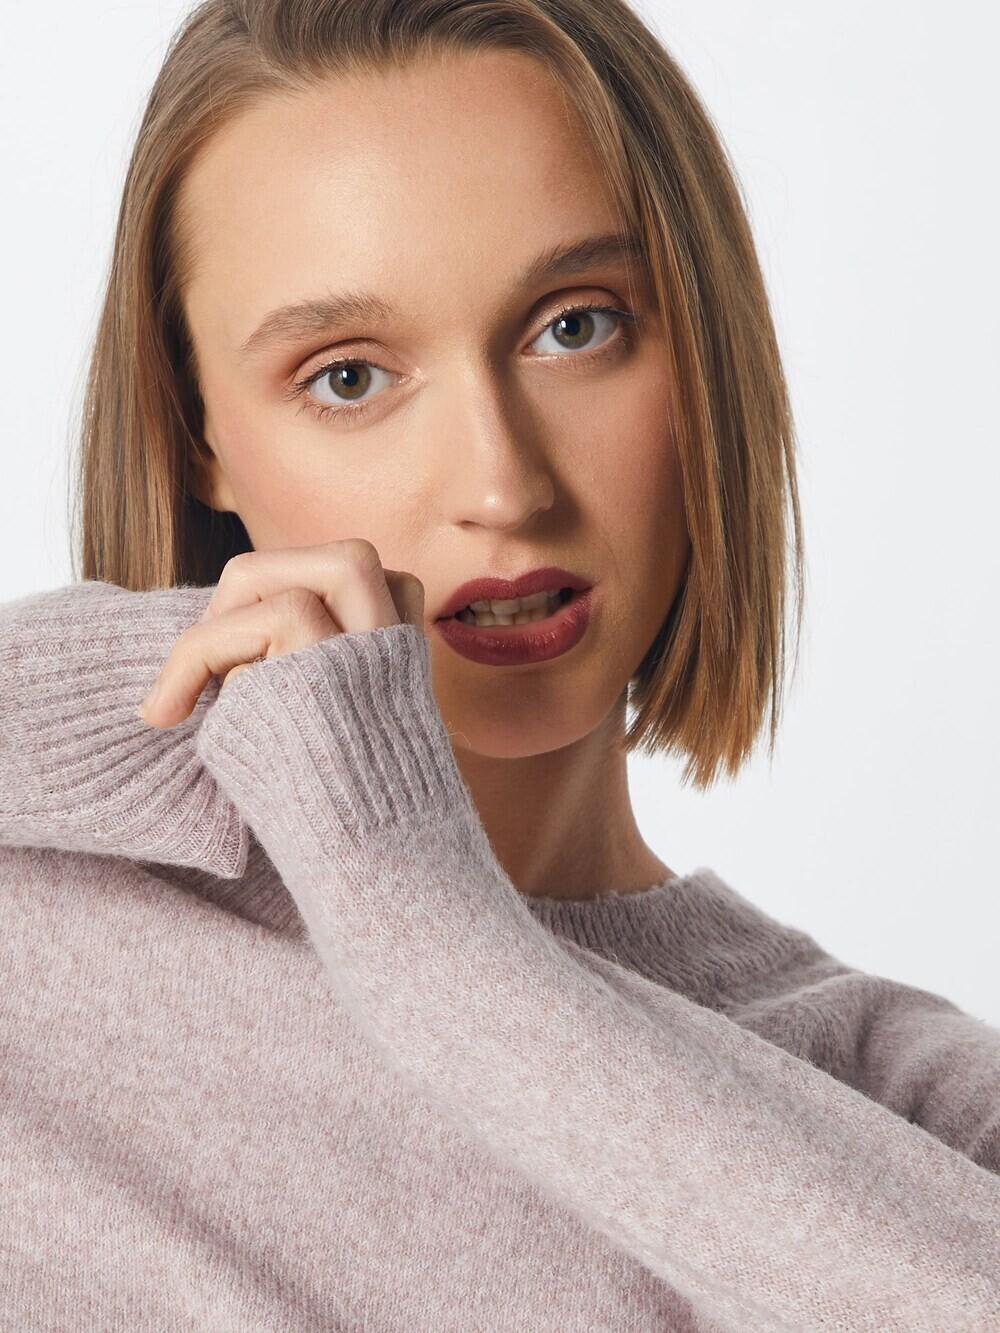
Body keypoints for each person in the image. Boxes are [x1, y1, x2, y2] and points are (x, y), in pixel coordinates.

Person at [0, 1, 996, 1329]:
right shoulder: (37, 922)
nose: (501, 485)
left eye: (575, 327)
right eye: (349, 377)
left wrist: (419, 922)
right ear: (198, 434)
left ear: (704, 354)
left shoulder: (902, 1105)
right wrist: (132, 686)